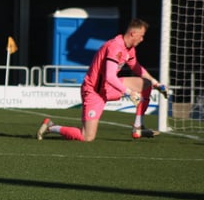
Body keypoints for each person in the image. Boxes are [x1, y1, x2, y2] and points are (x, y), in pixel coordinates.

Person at [37, 18, 169, 142]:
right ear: (133, 33)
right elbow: (110, 77)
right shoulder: (114, 47)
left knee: (146, 84)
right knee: (87, 137)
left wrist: (156, 83)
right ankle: (51, 127)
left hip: (109, 87)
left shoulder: (130, 50)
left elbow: (137, 68)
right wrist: (129, 92)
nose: (142, 39)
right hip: (94, 91)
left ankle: (138, 127)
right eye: (141, 35)